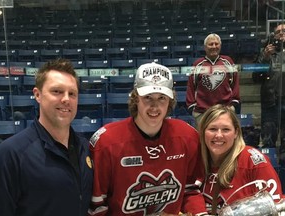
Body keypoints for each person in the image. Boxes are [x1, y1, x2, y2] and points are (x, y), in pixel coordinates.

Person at [88, 62, 208, 216]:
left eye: (162, 98)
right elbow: (97, 207)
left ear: (170, 101)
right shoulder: (106, 142)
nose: (154, 106)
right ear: (135, 98)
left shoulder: (187, 136)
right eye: (148, 97)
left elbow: (190, 190)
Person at [0, 58, 93, 216]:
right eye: (57, 91)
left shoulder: (84, 148)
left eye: (72, 94)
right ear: (37, 95)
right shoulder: (10, 155)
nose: (66, 99)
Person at [198, 104, 284, 215]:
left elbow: (276, 208)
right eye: (212, 129)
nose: (218, 135)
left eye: (226, 129)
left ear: (236, 132)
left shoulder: (253, 162)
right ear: (203, 131)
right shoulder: (194, 160)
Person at [186, 33, 240, 127]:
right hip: (203, 112)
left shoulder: (228, 61)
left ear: (220, 45)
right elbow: (191, 86)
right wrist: (193, 107)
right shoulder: (197, 64)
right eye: (211, 44)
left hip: (225, 110)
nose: (214, 46)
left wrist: (233, 104)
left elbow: (235, 83)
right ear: (205, 47)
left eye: (216, 44)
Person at [256, 24, 285, 150]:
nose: (280, 34)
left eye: (284, 31)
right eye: (277, 32)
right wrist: (265, 57)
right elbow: (256, 77)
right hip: (270, 101)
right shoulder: (266, 53)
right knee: (268, 139)